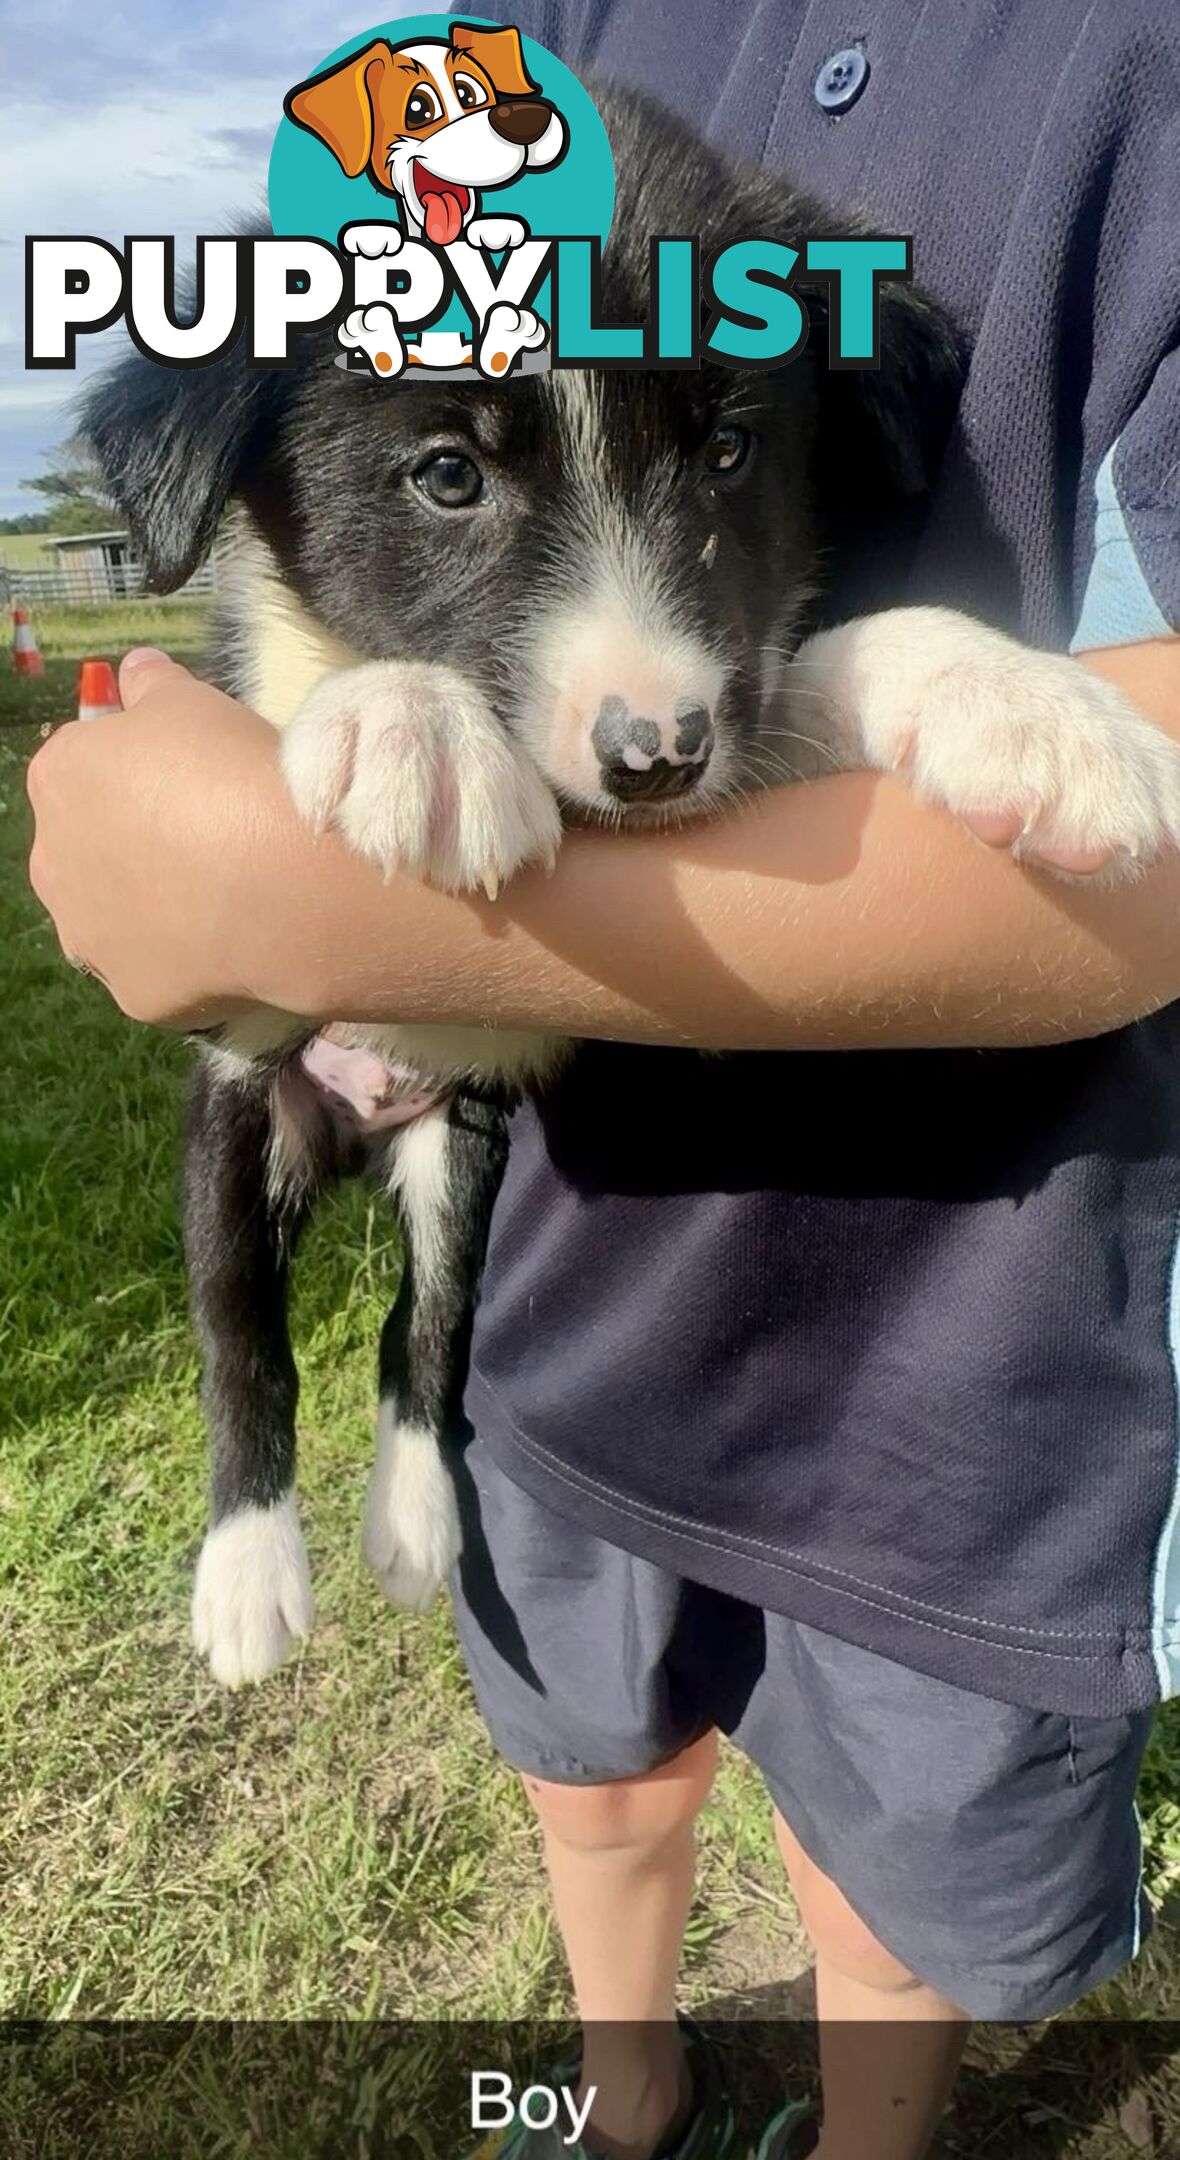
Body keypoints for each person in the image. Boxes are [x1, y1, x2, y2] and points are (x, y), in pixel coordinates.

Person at [26, 4, 1180, 2157]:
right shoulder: (551, 52)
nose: (638, 679)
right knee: (592, 1758)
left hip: (959, 1396)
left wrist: (303, 889)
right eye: (454, 469)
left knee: (887, 1873)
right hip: (574, 1347)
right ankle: (620, 2085)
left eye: (718, 449)